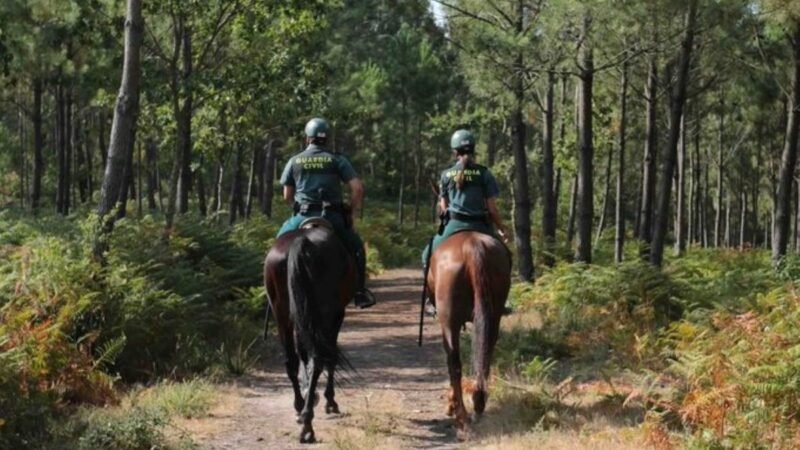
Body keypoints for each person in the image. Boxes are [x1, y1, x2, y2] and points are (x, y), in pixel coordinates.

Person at [277, 117, 376, 308]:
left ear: (307, 138)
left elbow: (287, 195)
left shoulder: (294, 160)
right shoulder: (337, 160)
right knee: (356, 248)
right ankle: (360, 292)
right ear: (327, 139)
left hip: (302, 216)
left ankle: (275, 293)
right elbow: (358, 188)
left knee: (278, 246)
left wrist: (299, 206)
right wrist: (350, 211)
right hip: (332, 217)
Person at [422, 128, 511, 313]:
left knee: (426, 256)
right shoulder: (484, 174)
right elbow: (492, 208)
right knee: (505, 256)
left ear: (455, 152)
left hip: (453, 225)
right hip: (481, 225)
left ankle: (431, 301)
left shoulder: (446, 175)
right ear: (473, 149)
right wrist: (502, 228)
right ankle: (502, 302)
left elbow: (443, 208)